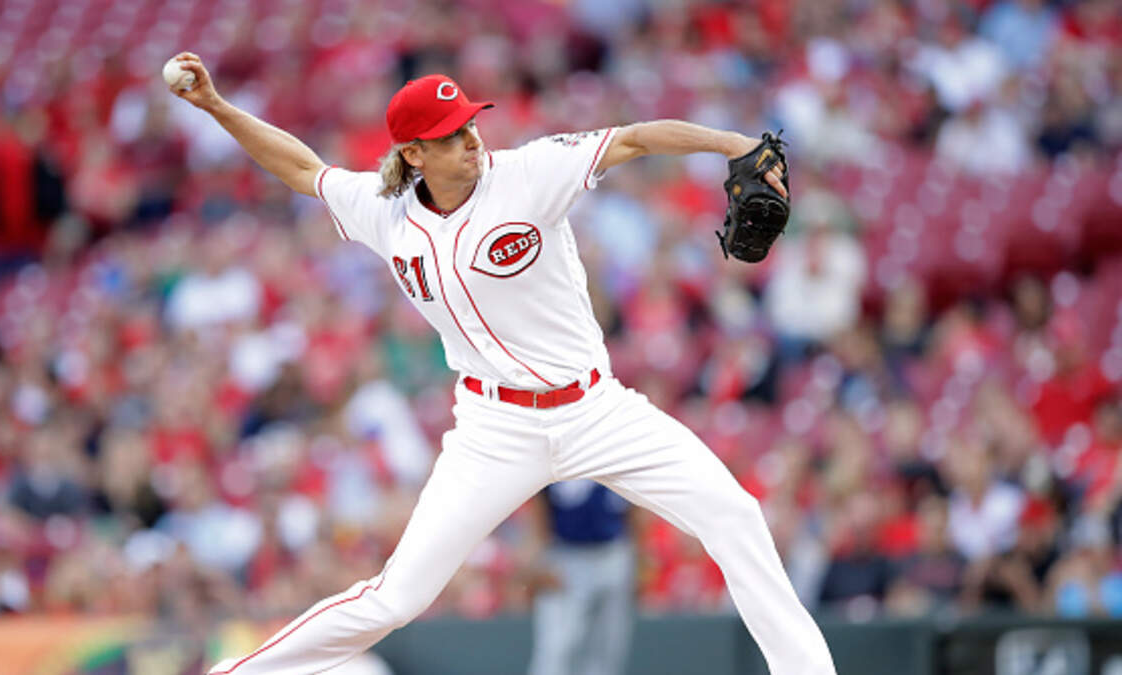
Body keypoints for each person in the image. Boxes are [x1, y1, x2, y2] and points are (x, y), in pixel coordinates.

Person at [165, 53, 835, 675]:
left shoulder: (529, 173)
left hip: (596, 409)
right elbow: (301, 169)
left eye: (470, 124)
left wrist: (730, 145)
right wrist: (219, 107)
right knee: (394, 598)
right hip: (494, 430)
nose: (471, 138)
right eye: (451, 134)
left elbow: (633, 138)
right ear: (414, 152)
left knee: (734, 515)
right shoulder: (386, 214)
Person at [524, 480, 634, 675]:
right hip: (565, 555)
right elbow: (538, 508)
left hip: (613, 551)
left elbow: (637, 508)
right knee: (557, 645)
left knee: (607, 647)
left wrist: (637, 557)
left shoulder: (618, 453)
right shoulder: (556, 453)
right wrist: (540, 561)